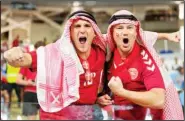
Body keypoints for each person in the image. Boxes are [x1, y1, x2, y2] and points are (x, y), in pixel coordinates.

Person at [3, 10, 182, 120]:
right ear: (70, 32)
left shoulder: (102, 50)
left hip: (94, 113)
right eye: (77, 26)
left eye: (87, 26)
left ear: (93, 32)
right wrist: (12, 54)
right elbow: (25, 59)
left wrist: (166, 36)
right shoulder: (56, 53)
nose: (82, 30)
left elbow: (132, 32)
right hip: (60, 115)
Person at [98, 10, 184, 120]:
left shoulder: (144, 59)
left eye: (130, 27)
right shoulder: (108, 54)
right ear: (112, 34)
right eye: (119, 28)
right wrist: (99, 97)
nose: (125, 32)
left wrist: (121, 92)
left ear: (136, 33)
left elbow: (159, 100)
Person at [16, 41, 45, 120]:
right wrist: (28, 83)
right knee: (31, 118)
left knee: (44, 117)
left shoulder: (48, 63)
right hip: (30, 93)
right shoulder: (27, 63)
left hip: (43, 94)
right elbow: (18, 80)